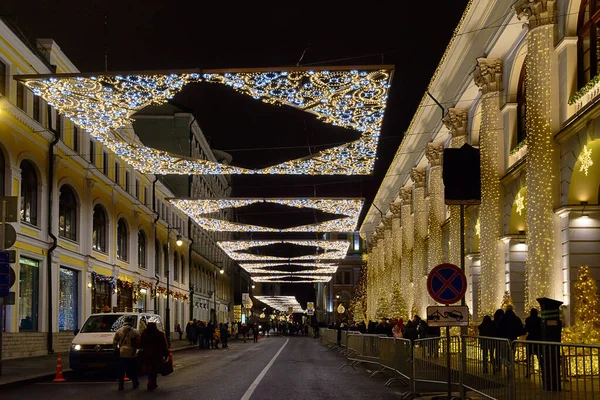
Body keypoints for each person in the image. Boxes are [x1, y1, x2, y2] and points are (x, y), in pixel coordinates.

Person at [139, 322, 169, 391]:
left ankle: (151, 382)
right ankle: (152, 383)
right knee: (154, 369)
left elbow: (141, 344)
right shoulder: (159, 334)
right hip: (157, 355)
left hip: (147, 354)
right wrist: (166, 354)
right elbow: (164, 345)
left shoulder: (144, 334)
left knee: (149, 368)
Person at [113, 315, 140, 391]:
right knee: (134, 369)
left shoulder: (119, 331)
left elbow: (115, 342)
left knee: (121, 369)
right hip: (132, 353)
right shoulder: (135, 331)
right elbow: (139, 342)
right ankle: (135, 383)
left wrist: (116, 349)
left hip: (122, 352)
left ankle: (121, 385)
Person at [524, 308, 542, 378]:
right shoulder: (539, 320)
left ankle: (528, 372)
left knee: (528, 357)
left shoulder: (528, 320)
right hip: (538, 340)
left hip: (530, 339)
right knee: (539, 356)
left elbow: (526, 329)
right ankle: (542, 371)